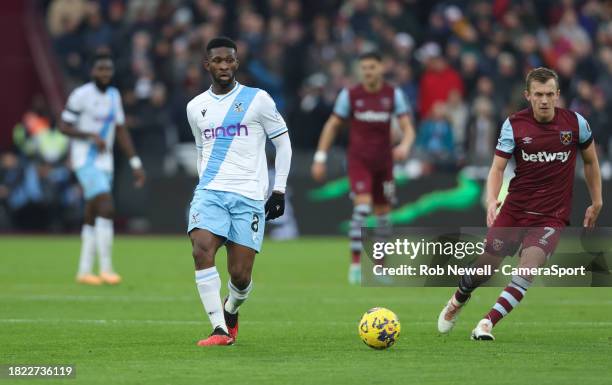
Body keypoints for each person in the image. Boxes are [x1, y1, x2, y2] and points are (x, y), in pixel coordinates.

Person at [437, 67, 602, 340]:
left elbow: (590, 161)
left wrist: (597, 201)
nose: (545, 100)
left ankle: (487, 323)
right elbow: (497, 169)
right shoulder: (514, 125)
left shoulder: (576, 124)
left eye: (550, 94)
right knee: (484, 269)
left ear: (558, 94)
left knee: (528, 269)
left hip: (552, 215)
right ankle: (457, 300)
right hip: (515, 211)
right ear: (528, 95)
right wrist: (492, 200)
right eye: (539, 94)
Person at [186, 37, 292, 346]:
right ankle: (218, 329)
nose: (223, 66)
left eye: (229, 60)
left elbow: (283, 143)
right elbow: (200, 149)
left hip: (248, 196)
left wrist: (279, 190)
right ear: (207, 64)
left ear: (236, 63)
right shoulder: (196, 107)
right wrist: (203, 182)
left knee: (241, 276)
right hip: (210, 192)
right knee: (201, 248)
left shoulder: (258, 100)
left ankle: (231, 308)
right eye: (217, 61)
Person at [311, 52, 415, 284]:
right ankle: (356, 265)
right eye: (364, 68)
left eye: (372, 67)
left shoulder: (393, 95)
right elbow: (332, 125)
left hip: (384, 163)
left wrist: (405, 145)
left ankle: (379, 268)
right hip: (359, 161)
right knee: (362, 207)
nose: (368, 72)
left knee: (384, 217)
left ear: (381, 68)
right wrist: (320, 157)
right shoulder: (350, 95)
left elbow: (407, 127)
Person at [60, 52, 145, 285]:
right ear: (92, 71)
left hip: (105, 162)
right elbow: (63, 126)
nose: (105, 74)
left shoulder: (114, 95)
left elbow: (120, 130)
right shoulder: (80, 95)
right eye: (101, 69)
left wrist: (135, 162)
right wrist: (89, 135)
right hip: (84, 160)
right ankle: (106, 268)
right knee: (106, 207)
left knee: (92, 213)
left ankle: (84, 271)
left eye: (108, 70)